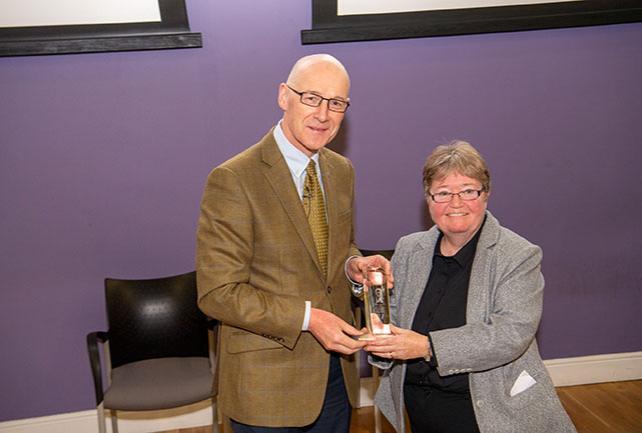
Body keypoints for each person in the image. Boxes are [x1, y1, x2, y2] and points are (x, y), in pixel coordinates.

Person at [195, 54, 391, 433]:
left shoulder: (340, 170)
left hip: (336, 374)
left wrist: (354, 266)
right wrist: (308, 318)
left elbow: (339, 249)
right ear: (284, 96)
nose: (323, 114)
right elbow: (217, 293)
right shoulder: (234, 179)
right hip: (266, 384)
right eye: (311, 97)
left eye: (336, 103)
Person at [365, 141, 577, 433]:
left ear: (486, 194)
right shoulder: (410, 248)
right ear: (428, 199)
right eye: (442, 193)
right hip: (418, 406)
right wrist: (378, 332)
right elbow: (393, 315)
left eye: (468, 191)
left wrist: (427, 347)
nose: (455, 203)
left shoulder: (517, 255)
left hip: (489, 410)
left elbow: (509, 334)